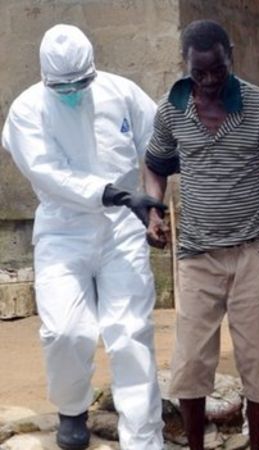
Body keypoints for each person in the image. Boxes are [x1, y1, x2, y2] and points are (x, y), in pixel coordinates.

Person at [143, 20, 259, 450]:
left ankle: (257, 444)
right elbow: (155, 165)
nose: (210, 80)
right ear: (187, 65)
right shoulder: (170, 110)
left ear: (230, 56)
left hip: (255, 251)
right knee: (191, 363)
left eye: (218, 69)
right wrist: (153, 210)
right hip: (197, 255)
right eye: (200, 73)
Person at [1, 24, 164, 449]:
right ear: (44, 77)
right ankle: (72, 410)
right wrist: (115, 194)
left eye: (81, 83)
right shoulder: (27, 109)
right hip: (63, 229)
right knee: (65, 331)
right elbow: (48, 173)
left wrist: (152, 201)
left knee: (129, 333)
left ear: (93, 69)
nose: (73, 91)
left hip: (124, 230)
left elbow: (159, 143)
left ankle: (144, 440)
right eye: (63, 86)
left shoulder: (122, 93)